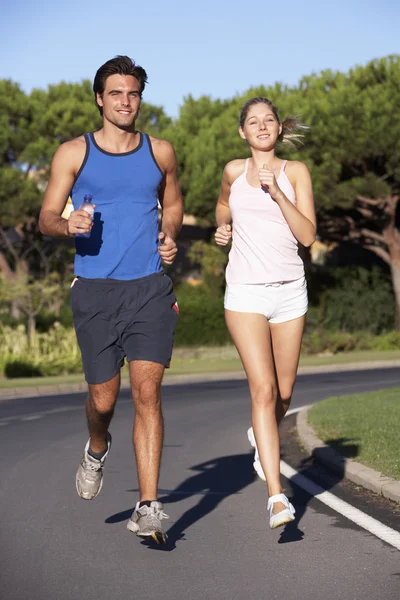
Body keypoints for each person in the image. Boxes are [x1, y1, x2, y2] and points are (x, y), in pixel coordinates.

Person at [39, 56, 183, 544]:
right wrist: (67, 224)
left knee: (147, 393)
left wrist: (169, 234)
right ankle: (97, 447)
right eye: (117, 93)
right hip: (95, 290)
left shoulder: (159, 151)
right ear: (100, 99)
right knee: (103, 398)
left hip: (149, 288)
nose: (126, 101)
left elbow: (175, 201)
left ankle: (147, 505)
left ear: (140, 98)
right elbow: (44, 218)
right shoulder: (73, 153)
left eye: (134, 93)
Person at [214, 97, 316, 529]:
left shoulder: (295, 172)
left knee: (285, 393)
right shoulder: (234, 172)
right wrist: (223, 228)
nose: (261, 126)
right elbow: (222, 207)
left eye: (268, 120)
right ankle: (276, 497)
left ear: (277, 128)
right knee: (263, 389)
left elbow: (308, 235)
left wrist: (277, 194)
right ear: (243, 131)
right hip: (245, 294)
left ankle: (262, 436)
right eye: (252, 122)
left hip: (290, 291)